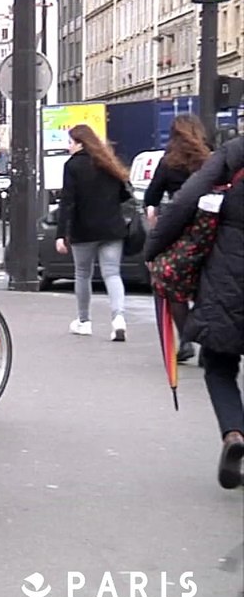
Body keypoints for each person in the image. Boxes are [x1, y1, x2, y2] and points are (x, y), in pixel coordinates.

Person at [144, 136, 244, 489]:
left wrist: (153, 248)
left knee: (219, 365)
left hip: (228, 276)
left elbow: (186, 200)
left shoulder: (233, 153)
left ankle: (234, 433)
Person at [54, 124, 132, 341]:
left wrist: (61, 234)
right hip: (111, 227)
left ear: (80, 143)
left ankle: (84, 321)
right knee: (112, 273)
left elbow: (67, 202)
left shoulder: (73, 166)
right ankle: (118, 319)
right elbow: (125, 193)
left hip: (84, 229)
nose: (68, 147)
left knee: (82, 274)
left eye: (70, 142)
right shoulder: (108, 161)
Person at [146, 114, 212, 362]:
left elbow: (151, 197)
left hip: (179, 232)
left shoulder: (168, 162)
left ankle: (186, 339)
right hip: (210, 229)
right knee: (208, 287)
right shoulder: (211, 158)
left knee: (173, 286)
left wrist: (154, 215)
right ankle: (208, 344)